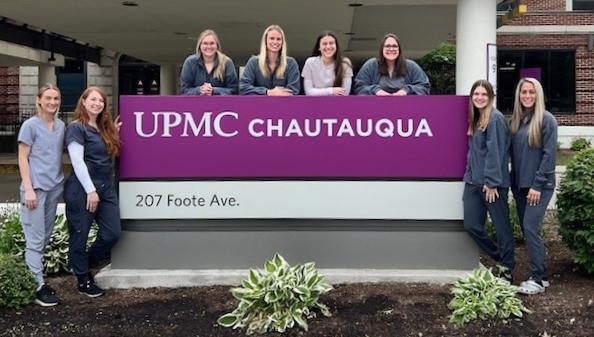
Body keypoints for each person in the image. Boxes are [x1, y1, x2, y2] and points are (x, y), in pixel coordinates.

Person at [64, 86, 121, 298]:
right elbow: (77, 161)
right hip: (83, 190)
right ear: (84, 101)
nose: (97, 104)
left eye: (101, 101)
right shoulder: (76, 128)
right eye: (93, 100)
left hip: (106, 189)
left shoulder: (102, 128)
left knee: (112, 233)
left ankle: (82, 263)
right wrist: (90, 190)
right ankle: (83, 280)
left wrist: (113, 131)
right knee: (80, 234)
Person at [462, 80, 515, 282]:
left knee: (501, 227)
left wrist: (492, 182)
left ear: (491, 97)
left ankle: (507, 269)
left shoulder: (495, 119)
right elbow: (474, 153)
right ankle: (499, 256)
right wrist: (469, 175)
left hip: (492, 185)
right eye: (476, 94)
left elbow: (497, 152)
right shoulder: (476, 118)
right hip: (474, 183)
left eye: (484, 94)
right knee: (472, 225)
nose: (479, 97)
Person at [17, 84, 64, 306]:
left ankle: (33, 277)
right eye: (48, 98)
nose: (52, 102)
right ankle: (38, 287)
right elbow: (22, 158)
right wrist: (28, 188)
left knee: (44, 237)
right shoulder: (30, 126)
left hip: (54, 188)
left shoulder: (61, 125)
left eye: (56, 98)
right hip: (35, 190)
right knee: (35, 239)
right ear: (39, 100)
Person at [510, 78, 557, 295]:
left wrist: (537, 185)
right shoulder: (519, 121)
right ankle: (542, 275)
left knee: (530, 227)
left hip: (539, 185)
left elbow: (549, 156)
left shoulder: (546, 120)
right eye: (523, 92)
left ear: (538, 94)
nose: (527, 95)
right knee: (529, 229)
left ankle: (537, 278)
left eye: (531, 92)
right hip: (520, 185)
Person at [354, 33, 430, 95]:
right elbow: (359, 88)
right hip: (375, 109)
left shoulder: (411, 66)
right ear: (382, 49)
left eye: (394, 46)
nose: (391, 49)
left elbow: (424, 87)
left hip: (406, 109)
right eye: (387, 46)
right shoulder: (371, 65)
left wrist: (406, 91)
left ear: (399, 49)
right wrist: (376, 91)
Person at [239, 25, 300, 95]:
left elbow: (294, 90)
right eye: (272, 38)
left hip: (283, 105)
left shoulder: (291, 63)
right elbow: (243, 87)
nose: (275, 42)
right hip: (258, 105)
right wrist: (267, 92)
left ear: (283, 42)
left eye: (278, 39)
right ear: (265, 41)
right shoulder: (253, 62)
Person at [180, 29, 238, 95]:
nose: (209, 46)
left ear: (217, 45)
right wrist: (199, 90)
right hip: (195, 104)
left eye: (212, 43)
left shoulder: (227, 62)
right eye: (205, 43)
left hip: (221, 104)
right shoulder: (190, 62)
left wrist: (213, 91)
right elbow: (184, 91)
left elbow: (234, 90)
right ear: (200, 46)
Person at [302, 31, 353, 96]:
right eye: (324, 44)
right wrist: (331, 90)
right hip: (314, 104)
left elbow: (345, 93)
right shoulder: (310, 63)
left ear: (336, 46)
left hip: (338, 104)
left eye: (331, 43)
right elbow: (308, 92)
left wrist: (319, 92)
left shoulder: (345, 63)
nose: (328, 47)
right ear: (319, 47)